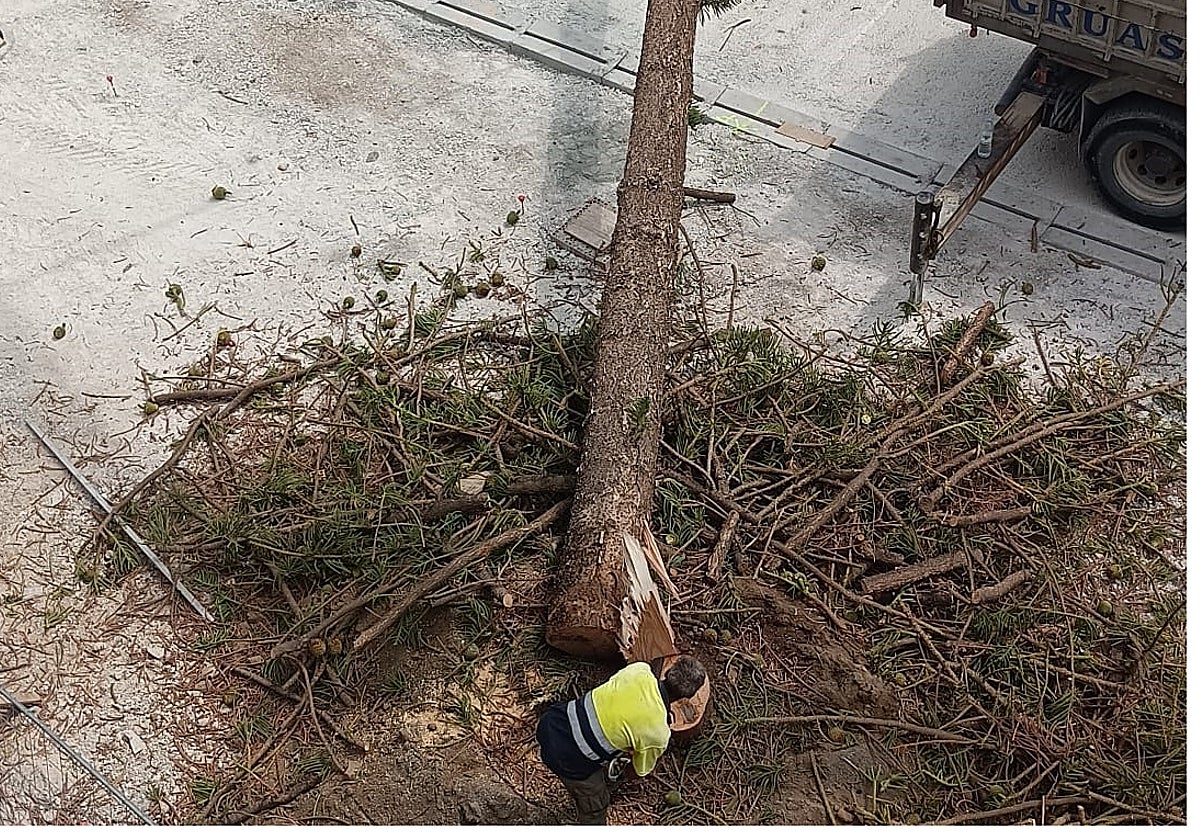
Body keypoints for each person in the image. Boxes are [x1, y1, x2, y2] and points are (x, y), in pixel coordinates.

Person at [535, 655, 707, 825]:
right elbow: (637, 772)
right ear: (687, 697)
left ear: (668, 671)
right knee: (596, 806)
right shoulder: (659, 734)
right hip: (565, 756)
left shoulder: (639, 670)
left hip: (553, 720)